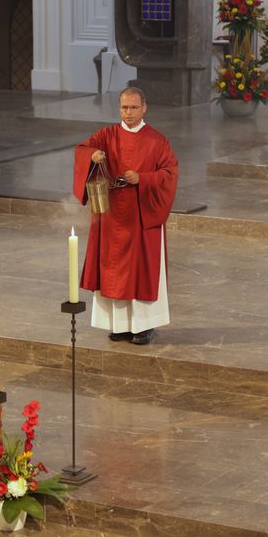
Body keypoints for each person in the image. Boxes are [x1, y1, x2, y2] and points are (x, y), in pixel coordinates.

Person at [73, 87, 178, 346]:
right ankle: (118, 325)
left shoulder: (157, 140)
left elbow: (170, 174)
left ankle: (144, 326)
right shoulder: (107, 135)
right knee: (113, 270)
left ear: (144, 108)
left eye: (133, 107)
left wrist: (141, 178)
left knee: (140, 270)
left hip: (141, 216)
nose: (128, 113)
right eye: (123, 108)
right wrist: (92, 155)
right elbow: (82, 149)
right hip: (111, 216)